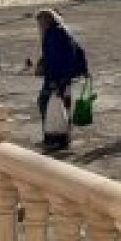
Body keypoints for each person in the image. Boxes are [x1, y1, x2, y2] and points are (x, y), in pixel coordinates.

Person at [33, 9, 87, 150]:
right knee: (60, 107)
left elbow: (55, 59)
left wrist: (54, 80)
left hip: (56, 77)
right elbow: (79, 50)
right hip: (63, 76)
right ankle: (62, 137)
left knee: (46, 104)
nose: (39, 26)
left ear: (46, 21)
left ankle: (53, 137)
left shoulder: (53, 34)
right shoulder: (61, 31)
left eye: (40, 22)